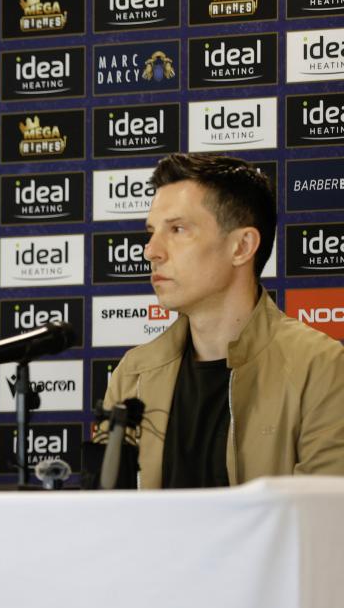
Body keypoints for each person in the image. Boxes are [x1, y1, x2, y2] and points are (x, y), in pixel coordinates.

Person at [101, 153, 344, 488]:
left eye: (178, 229)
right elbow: (109, 519)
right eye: (152, 231)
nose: (151, 251)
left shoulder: (321, 367)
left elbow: (323, 525)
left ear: (242, 246)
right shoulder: (133, 373)